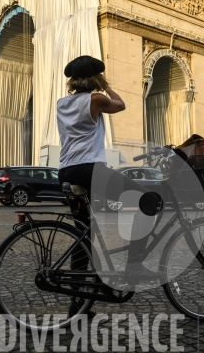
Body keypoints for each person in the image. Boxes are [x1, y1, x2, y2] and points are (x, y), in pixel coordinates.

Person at [57, 55, 163, 314]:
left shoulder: (62, 103)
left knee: (84, 232)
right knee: (148, 201)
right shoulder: (96, 99)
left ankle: (77, 305)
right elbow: (121, 105)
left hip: (66, 170)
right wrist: (105, 85)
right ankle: (132, 267)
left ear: (72, 81)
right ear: (94, 79)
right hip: (89, 168)